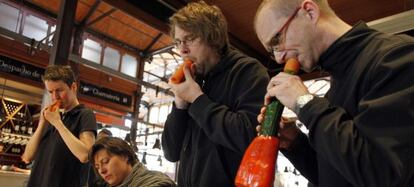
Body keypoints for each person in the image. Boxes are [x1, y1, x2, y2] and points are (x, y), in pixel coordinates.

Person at [254, 0, 414, 186]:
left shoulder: (396, 57)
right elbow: (337, 177)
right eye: (272, 52)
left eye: (276, 40)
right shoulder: (335, 86)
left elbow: (386, 174)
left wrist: (305, 103)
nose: (279, 57)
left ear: (310, 12)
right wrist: (296, 143)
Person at [161, 1, 269, 186]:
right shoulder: (194, 80)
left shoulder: (248, 71)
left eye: (190, 39)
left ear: (213, 37)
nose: (182, 49)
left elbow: (249, 137)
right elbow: (171, 152)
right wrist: (180, 105)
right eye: (178, 42)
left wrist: (197, 99)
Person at [22, 65, 97, 187]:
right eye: (50, 92)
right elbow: (28, 156)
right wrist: (42, 123)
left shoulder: (85, 114)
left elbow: (85, 155)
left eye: (59, 90)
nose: (54, 97)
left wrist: (58, 123)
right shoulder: (52, 117)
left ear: (73, 87)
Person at [89, 137, 176, 187]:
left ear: (125, 156)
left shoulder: (156, 183)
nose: (101, 171)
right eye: (97, 167)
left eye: (105, 161)